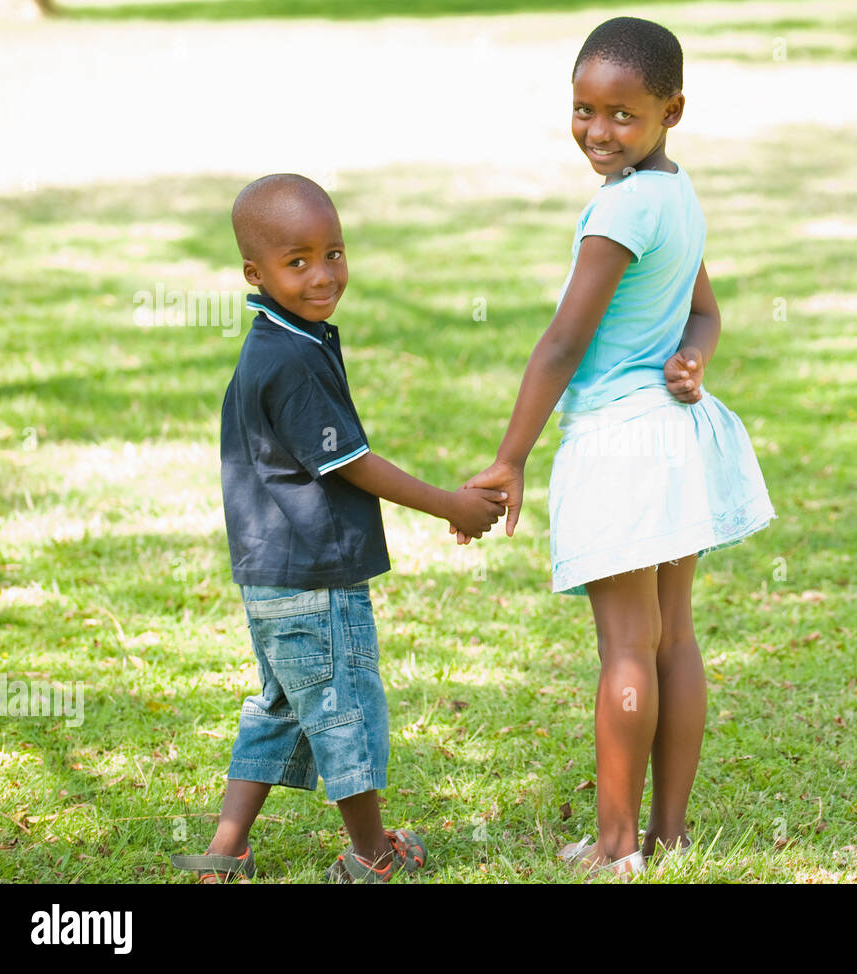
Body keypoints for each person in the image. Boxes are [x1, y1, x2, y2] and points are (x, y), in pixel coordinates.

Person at [460, 17, 775, 877]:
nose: (598, 132)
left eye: (622, 115)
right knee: (673, 639)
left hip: (621, 445)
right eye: (583, 110)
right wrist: (693, 356)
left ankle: (614, 846)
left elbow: (563, 343)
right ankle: (668, 834)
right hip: (675, 444)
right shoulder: (677, 194)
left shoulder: (622, 207)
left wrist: (510, 456)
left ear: (672, 109)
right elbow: (706, 311)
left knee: (628, 649)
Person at [170, 173, 507, 883]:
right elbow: (351, 463)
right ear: (254, 274)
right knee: (344, 708)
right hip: (314, 577)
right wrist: (450, 503)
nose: (322, 275)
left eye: (334, 253)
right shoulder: (289, 359)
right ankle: (372, 855)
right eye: (298, 262)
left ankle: (225, 851)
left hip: (272, 576)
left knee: (282, 709)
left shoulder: (288, 337)